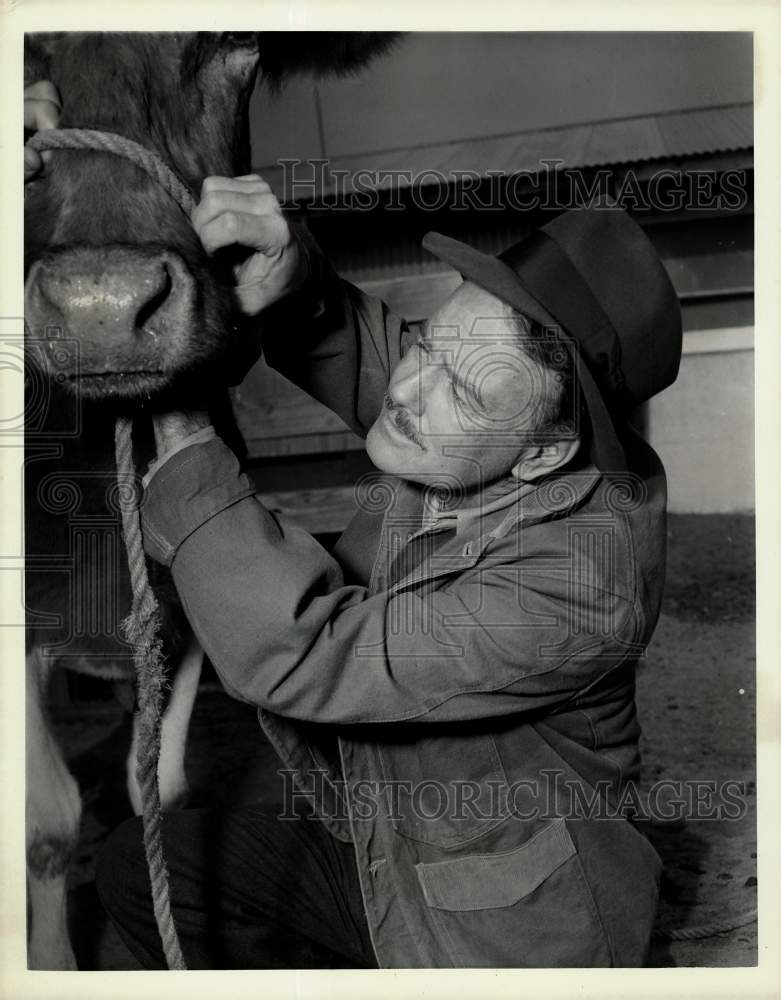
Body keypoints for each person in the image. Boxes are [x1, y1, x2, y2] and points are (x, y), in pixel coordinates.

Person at [25, 85, 682, 969]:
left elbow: (299, 653)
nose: (409, 392)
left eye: (461, 388)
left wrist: (183, 433)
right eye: (429, 346)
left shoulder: (580, 587)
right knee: (146, 873)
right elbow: (376, 353)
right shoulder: (488, 436)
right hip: (388, 837)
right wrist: (291, 274)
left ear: (539, 457)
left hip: (499, 931)